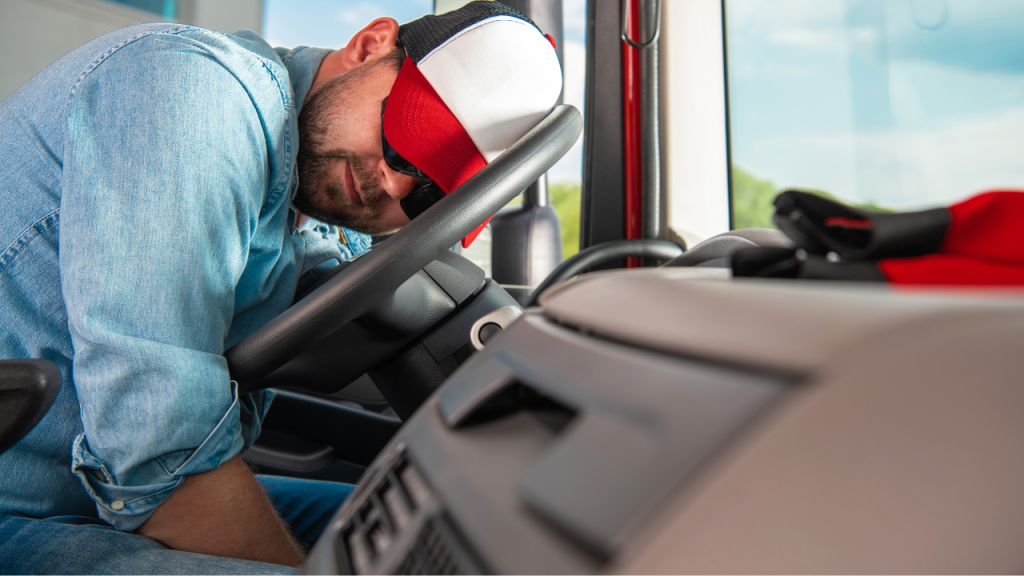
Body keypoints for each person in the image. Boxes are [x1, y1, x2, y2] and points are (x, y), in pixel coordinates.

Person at [0, 1, 562, 573]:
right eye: (400, 138)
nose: (393, 181)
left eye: (427, 195)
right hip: (25, 504)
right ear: (369, 45)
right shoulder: (197, 95)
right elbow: (157, 456)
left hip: (96, 498)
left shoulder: (311, 194)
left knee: (454, 542)